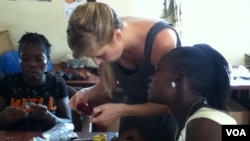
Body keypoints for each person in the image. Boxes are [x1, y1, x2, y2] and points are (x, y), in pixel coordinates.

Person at [67, 2, 181, 141]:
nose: (97, 62)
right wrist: (86, 93)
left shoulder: (162, 41)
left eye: (100, 55)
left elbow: (167, 105)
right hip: (131, 115)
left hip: (162, 119)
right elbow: (106, 84)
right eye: (92, 57)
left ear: (117, 36)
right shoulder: (105, 34)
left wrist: (121, 109)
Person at [148, 43, 237, 141]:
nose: (151, 77)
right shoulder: (194, 119)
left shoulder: (204, 125)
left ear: (178, 80)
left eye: (157, 71)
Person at [0, 32, 72, 131]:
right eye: (25, 59)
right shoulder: (7, 83)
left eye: (39, 59)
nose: (32, 64)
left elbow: (69, 124)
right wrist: (3, 118)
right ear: (19, 60)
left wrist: (51, 118)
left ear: (48, 60)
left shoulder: (57, 83)